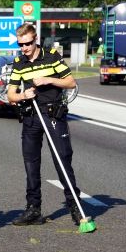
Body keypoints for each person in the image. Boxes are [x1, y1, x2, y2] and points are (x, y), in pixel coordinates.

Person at [6, 23, 82, 226]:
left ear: (36, 39)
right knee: (31, 163)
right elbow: (10, 95)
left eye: (28, 43)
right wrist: (23, 94)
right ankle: (33, 209)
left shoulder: (52, 56)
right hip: (31, 116)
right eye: (21, 44)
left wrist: (48, 79)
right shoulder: (19, 63)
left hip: (52, 114)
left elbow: (71, 82)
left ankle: (75, 206)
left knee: (62, 160)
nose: (24, 48)